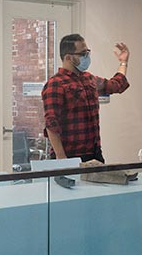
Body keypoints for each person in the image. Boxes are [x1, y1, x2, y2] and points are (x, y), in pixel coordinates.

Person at [42, 33, 130, 162]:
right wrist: (62, 159)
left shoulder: (89, 79)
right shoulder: (56, 84)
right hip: (70, 155)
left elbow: (116, 85)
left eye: (87, 52)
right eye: (82, 54)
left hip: (94, 153)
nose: (87, 56)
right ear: (68, 57)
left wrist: (123, 62)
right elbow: (51, 124)